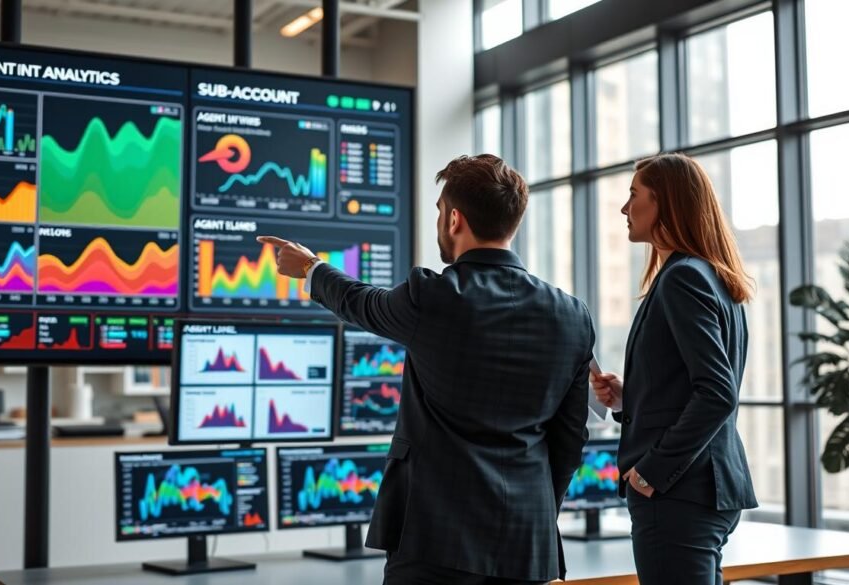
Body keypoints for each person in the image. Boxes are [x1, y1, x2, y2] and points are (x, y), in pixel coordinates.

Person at [258, 154, 595, 585]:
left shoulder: (433, 297)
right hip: (526, 544)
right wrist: (537, 511)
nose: (439, 220)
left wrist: (309, 267)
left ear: (455, 219)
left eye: (439, 211)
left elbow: (360, 301)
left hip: (436, 538)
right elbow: (570, 439)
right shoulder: (572, 315)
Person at [590, 153, 758, 585]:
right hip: (707, 487)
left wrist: (652, 472)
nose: (625, 209)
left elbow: (718, 393)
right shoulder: (713, 277)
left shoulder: (683, 278)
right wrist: (631, 396)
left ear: (665, 202)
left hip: (678, 492)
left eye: (633, 196)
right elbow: (697, 384)